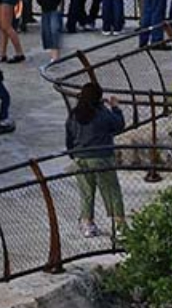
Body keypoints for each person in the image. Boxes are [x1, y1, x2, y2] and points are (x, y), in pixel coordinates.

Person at [66, 82, 126, 238]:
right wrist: (115, 108)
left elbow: (69, 138)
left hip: (80, 158)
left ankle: (88, 225)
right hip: (101, 158)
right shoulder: (101, 113)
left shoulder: (74, 114)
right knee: (112, 191)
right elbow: (118, 126)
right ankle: (119, 227)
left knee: (86, 192)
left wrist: (73, 154)